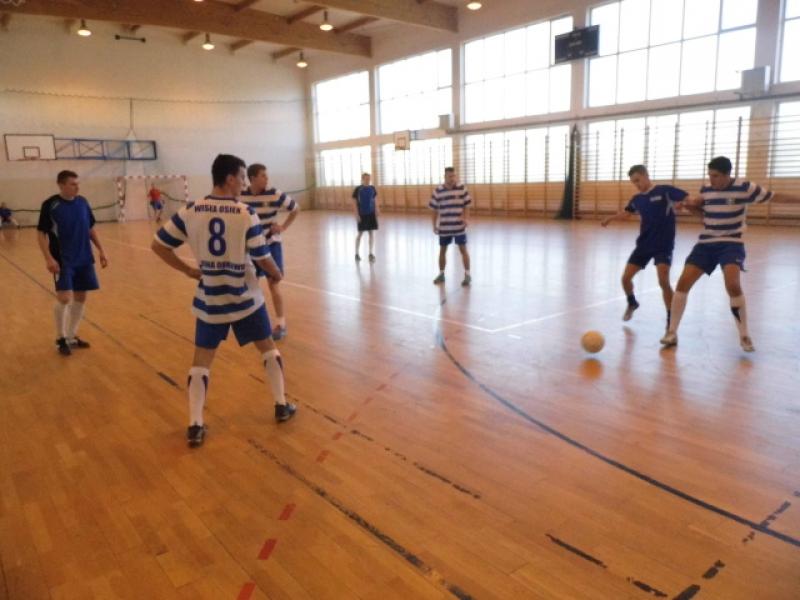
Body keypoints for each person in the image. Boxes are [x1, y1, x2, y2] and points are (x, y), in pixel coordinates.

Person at [151, 154, 296, 448]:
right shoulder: (244, 213)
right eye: (242, 178)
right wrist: (276, 273)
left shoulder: (190, 210)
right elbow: (262, 256)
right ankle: (281, 405)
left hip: (211, 299)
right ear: (230, 178)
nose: (244, 183)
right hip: (246, 298)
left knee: (201, 362)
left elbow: (158, 245)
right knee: (268, 348)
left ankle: (195, 424)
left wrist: (188, 270)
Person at [661, 156, 799, 352]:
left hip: (731, 243)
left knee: (733, 284)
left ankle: (744, 335)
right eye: (710, 175)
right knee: (683, 283)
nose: (712, 180)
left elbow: (775, 196)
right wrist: (690, 207)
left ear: (727, 174)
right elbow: (704, 216)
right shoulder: (706, 190)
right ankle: (672, 332)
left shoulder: (745, 188)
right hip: (706, 243)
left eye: (716, 176)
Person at [601, 165, 688, 328]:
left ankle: (671, 318)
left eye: (638, 180)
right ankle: (632, 302)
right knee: (625, 279)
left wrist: (682, 205)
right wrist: (610, 218)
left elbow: (686, 198)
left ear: (646, 175)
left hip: (663, 244)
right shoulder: (637, 199)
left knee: (663, 281)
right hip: (644, 244)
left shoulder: (664, 191)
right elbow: (627, 214)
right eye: (634, 182)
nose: (637, 184)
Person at [36, 170, 109, 356]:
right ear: (61, 185)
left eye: (77, 184)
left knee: (81, 298)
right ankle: (60, 338)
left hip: (84, 258)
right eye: (73, 184)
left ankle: (71, 336)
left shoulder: (83, 202)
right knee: (64, 298)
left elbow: (90, 228)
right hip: (63, 260)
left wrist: (101, 250)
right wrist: (48, 258)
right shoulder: (50, 205)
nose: (77, 187)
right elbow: (41, 234)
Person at [240, 163, 299, 341]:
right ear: (252, 178)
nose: (267, 179)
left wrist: (283, 227)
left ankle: (281, 324)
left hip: (271, 244)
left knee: (273, 283)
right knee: (252, 284)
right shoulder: (241, 195)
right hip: (251, 246)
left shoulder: (274, 194)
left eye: (267, 175)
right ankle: (255, 322)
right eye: (263, 176)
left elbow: (295, 208)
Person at [430, 167, 472, 286]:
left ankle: (467, 275)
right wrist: (434, 224)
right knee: (442, 250)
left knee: (463, 250)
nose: (452, 178)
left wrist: (466, 219)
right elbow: (434, 209)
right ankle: (441, 274)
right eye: (450, 176)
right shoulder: (438, 191)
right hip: (444, 227)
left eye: (454, 176)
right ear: (445, 177)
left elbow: (467, 205)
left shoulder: (462, 188)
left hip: (459, 227)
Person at [352, 173, 379, 262]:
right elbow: (354, 203)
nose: (368, 180)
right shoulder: (358, 189)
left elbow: (374, 199)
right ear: (362, 179)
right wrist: (356, 214)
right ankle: (356, 253)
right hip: (362, 214)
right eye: (366, 179)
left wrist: (377, 209)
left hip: (371, 214)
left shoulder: (372, 188)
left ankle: (370, 253)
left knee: (371, 233)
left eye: (369, 179)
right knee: (360, 234)